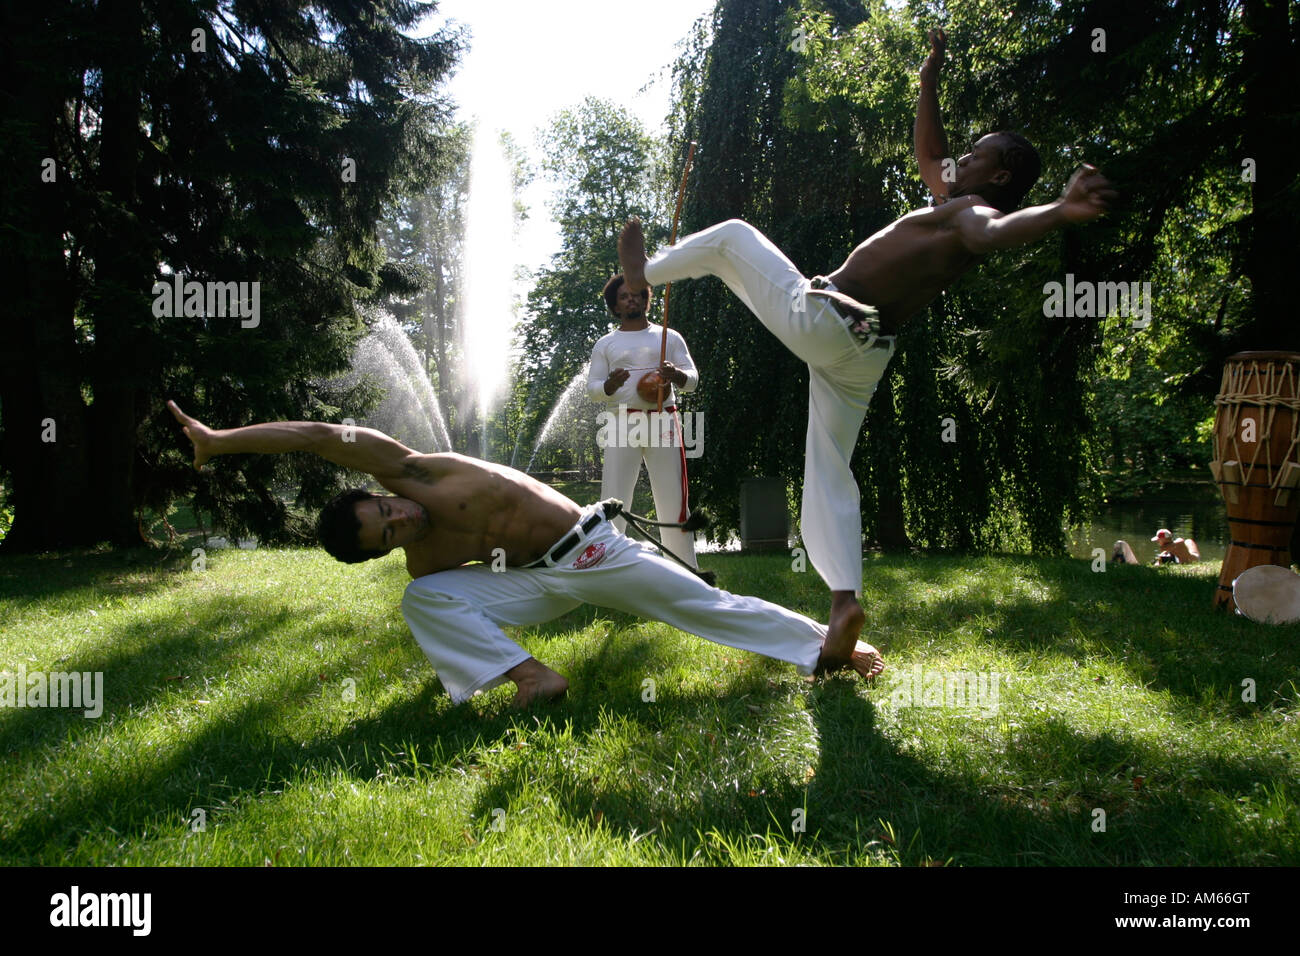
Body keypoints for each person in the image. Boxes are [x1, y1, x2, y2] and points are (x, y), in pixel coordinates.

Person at [616, 28, 1116, 671]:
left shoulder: (970, 216)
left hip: (826, 317)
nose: (960, 155)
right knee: (829, 469)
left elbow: (997, 230)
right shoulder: (953, 199)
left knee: (734, 238)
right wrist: (929, 76)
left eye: (979, 151)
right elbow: (930, 153)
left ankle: (643, 276)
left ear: (1000, 173)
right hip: (865, 352)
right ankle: (844, 600)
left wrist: (1057, 212)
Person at [166, 400, 883, 708]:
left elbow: (318, 436)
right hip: (541, 581)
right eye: (387, 532)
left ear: (380, 490)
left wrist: (222, 441)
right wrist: (468, 642)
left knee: (696, 605)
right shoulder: (424, 563)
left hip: (591, 550)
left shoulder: (416, 469)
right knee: (423, 601)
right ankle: (533, 678)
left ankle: (830, 650)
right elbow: (453, 610)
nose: (400, 518)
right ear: (382, 549)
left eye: (384, 510)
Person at [588, 275, 700, 568]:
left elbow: (693, 380)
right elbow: (593, 389)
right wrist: (609, 386)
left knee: (673, 498)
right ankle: (606, 567)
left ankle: (685, 570)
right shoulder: (606, 343)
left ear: (647, 299)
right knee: (614, 495)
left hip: (663, 420)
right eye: (624, 296)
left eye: (637, 294)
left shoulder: (669, 337)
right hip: (621, 422)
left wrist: (676, 375)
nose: (631, 299)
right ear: (615, 305)